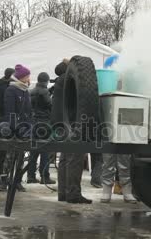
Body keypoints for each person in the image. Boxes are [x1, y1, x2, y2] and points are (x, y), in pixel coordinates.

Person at [55, 59, 92, 204]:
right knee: (74, 159)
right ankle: (73, 194)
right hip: (72, 124)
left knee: (64, 159)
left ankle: (63, 193)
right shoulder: (71, 81)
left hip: (62, 124)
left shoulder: (59, 81)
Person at [0, 64, 32, 192]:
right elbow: (10, 110)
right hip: (13, 127)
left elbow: (28, 111)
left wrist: (29, 126)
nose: (29, 78)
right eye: (27, 75)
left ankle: (17, 180)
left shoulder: (25, 90)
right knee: (10, 155)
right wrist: (13, 127)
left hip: (24, 127)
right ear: (22, 77)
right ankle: (4, 180)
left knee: (21, 155)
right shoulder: (11, 90)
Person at [27, 72, 55, 185]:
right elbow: (50, 104)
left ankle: (30, 175)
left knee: (33, 150)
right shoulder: (44, 92)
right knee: (45, 150)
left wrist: (51, 89)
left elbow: (42, 96)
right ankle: (44, 176)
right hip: (44, 122)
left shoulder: (32, 91)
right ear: (46, 80)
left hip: (34, 122)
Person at [0, 67, 14, 185]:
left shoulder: (0, 84)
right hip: (4, 120)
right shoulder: (6, 87)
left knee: (1, 150)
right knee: (4, 151)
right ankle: (3, 177)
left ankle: (0, 176)